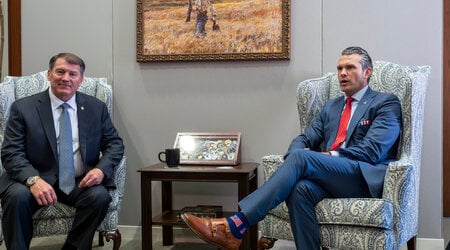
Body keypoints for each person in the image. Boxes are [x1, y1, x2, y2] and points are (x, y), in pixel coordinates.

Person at [181, 46, 402, 249]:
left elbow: (372, 151)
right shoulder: (332, 107)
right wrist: (299, 153)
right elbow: (305, 138)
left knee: (301, 160)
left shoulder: (385, 103)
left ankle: (236, 225)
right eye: (339, 68)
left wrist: (323, 155)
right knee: (299, 189)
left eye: (350, 67)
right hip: (332, 175)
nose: (342, 73)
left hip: (361, 175)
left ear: (367, 72)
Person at [0, 53, 124, 250]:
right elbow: (11, 152)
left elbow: (115, 144)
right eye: (60, 72)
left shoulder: (95, 108)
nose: (66, 78)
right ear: (49, 75)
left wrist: (101, 170)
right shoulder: (23, 108)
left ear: (80, 80)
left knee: (99, 197)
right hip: (33, 179)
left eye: (73, 74)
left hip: (77, 181)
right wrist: (33, 180)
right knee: (16, 197)